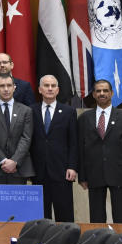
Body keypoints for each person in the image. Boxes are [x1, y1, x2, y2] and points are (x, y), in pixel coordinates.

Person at [77, 79, 122, 223]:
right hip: (94, 173)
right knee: (97, 218)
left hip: (119, 173)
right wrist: (82, 176)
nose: (102, 93)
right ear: (94, 94)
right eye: (98, 91)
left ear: (112, 93)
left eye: (105, 91)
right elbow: (80, 148)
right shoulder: (84, 117)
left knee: (121, 217)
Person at [30, 75, 78, 222]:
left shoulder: (69, 111)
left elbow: (73, 142)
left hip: (62, 171)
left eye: (52, 86)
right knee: (41, 216)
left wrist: (72, 166)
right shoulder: (31, 110)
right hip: (38, 171)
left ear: (57, 90)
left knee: (64, 215)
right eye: (46, 85)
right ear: (39, 89)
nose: (49, 88)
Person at [0, 74, 34, 184]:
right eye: (2, 86)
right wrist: (3, 160)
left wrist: (14, 161)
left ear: (14, 87)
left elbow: (26, 138)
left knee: (17, 201)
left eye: (9, 85)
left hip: (19, 168)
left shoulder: (26, 111)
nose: (6, 89)